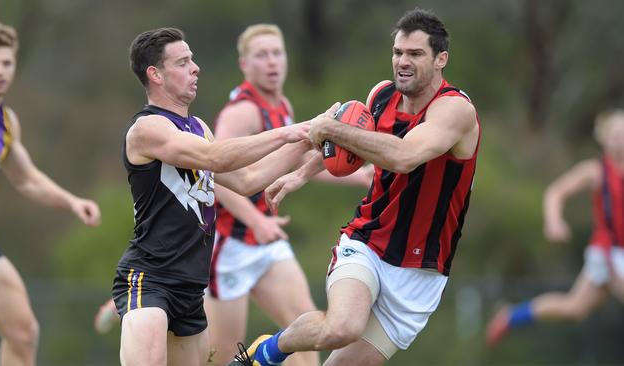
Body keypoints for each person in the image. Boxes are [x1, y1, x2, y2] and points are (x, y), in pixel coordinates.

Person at [231, 8, 480, 366]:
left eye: (415, 54)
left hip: (421, 273)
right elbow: (351, 141)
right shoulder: (381, 95)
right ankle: (264, 353)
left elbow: (404, 156)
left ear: (441, 59)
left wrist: (330, 128)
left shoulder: (455, 111)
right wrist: (301, 173)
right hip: (368, 243)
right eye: (398, 53)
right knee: (341, 327)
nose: (402, 62)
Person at [112, 27, 316, 366]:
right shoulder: (148, 129)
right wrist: (288, 132)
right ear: (156, 75)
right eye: (183, 62)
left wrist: (308, 138)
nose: (196, 68)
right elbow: (215, 157)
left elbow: (248, 179)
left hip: (191, 286)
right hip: (150, 279)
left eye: (193, 59)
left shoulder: (199, 128)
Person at [206, 24, 372, 366]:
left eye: (277, 53)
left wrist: (356, 177)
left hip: (267, 242)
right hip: (230, 246)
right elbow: (216, 176)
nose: (272, 62)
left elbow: (289, 163)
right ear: (244, 65)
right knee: (217, 356)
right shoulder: (242, 112)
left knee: (306, 333)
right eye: (261, 55)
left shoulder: (282, 106)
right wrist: (254, 220)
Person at [0, 21, 101, 366]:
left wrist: (72, 202)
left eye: (6, 63)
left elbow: (27, 178)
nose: (0, 71)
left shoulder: (6, 121)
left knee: (23, 331)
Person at [486, 109, 624, 347]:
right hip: (607, 251)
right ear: (604, 139)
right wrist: (554, 220)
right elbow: (556, 192)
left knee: (575, 307)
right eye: (615, 133)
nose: (620, 138)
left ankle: (512, 316)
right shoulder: (595, 171)